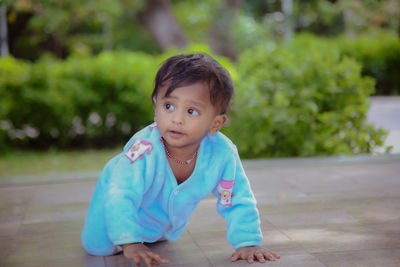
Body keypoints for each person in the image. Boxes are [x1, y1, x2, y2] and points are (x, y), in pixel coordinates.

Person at [81, 53, 280, 267]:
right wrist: (130, 243)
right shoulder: (143, 150)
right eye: (168, 106)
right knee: (100, 246)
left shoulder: (222, 155)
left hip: (157, 221)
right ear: (156, 105)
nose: (177, 119)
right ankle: (129, 234)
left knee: (155, 235)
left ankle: (144, 233)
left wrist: (248, 242)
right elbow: (120, 194)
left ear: (216, 123)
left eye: (192, 111)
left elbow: (238, 199)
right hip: (116, 190)